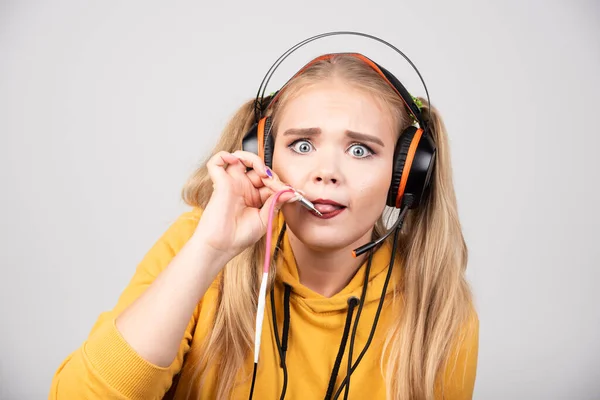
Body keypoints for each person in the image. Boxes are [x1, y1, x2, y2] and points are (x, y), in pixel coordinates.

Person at [49, 45, 479, 400]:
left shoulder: (437, 310)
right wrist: (209, 252)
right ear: (266, 157)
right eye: (303, 144)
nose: (326, 171)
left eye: (360, 150)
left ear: (405, 174)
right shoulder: (196, 245)